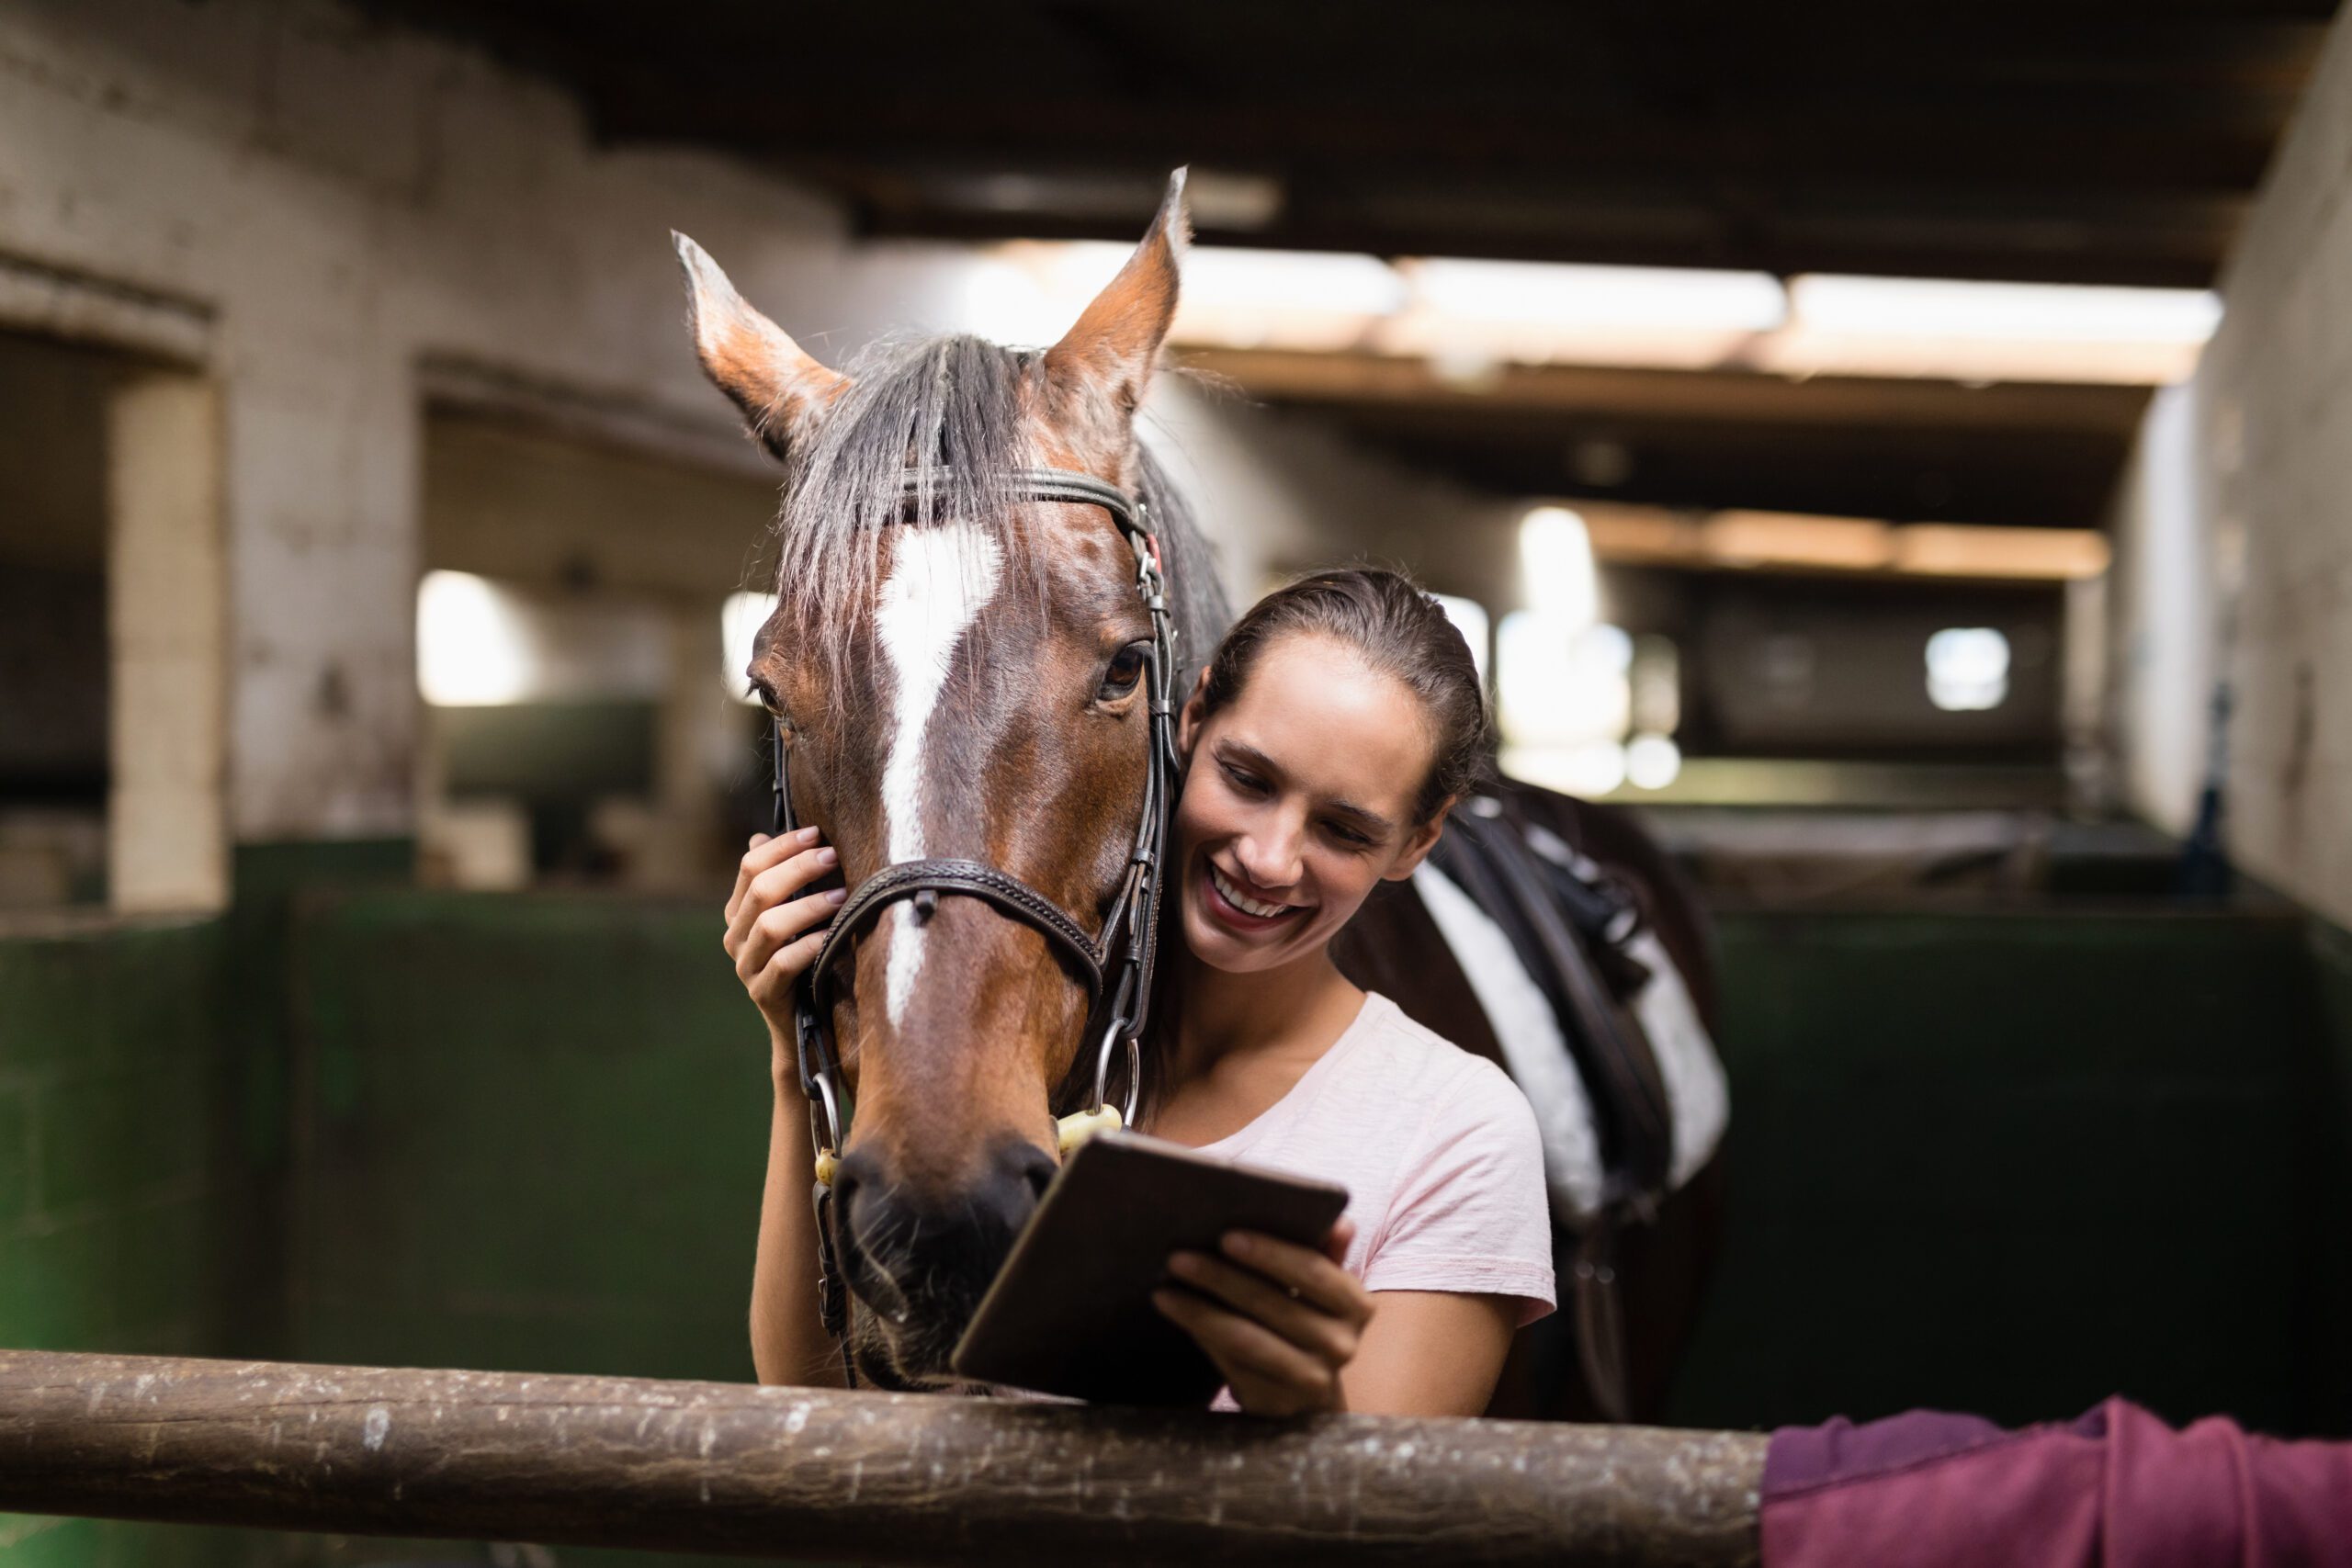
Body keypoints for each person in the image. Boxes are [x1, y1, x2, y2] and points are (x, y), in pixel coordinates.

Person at [721, 568, 1554, 1416]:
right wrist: (794, 1059)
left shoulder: (1459, 1130)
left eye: (1343, 829)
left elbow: (1390, 1531)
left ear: (1417, 839)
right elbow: (814, 1409)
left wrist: (1304, 1408)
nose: (1268, 858)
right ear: (1190, 721)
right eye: (1248, 778)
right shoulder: (1018, 1042)